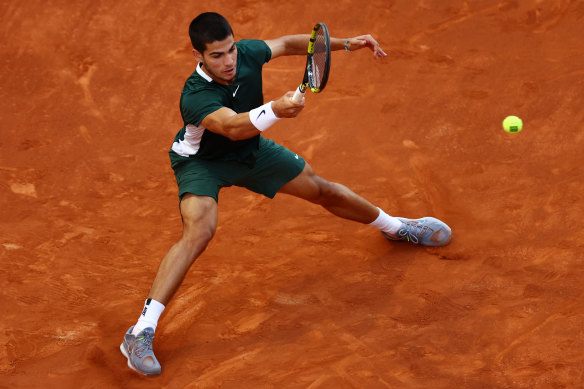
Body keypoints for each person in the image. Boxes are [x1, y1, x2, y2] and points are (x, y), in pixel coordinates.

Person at [120, 12, 452, 376]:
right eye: (216, 55)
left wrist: (344, 43)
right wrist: (275, 110)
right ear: (198, 55)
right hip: (203, 162)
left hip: (250, 152)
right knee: (200, 230)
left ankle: (396, 227)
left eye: (230, 49)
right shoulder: (195, 95)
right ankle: (140, 332)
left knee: (323, 189)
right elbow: (230, 127)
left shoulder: (247, 53)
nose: (229, 61)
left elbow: (293, 44)